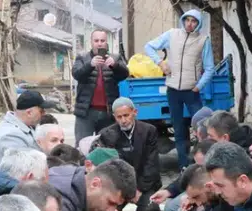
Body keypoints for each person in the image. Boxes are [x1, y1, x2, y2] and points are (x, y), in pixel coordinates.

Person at [145, 9, 214, 166]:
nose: (189, 24)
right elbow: (149, 46)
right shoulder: (172, 34)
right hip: (173, 91)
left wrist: (199, 86)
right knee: (179, 129)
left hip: (192, 91)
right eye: (187, 20)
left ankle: (205, 164)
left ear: (199, 23)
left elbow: (210, 68)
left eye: (194, 21)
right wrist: (160, 62)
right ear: (183, 20)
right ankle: (184, 166)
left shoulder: (204, 40)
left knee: (202, 128)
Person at [96, 97, 162, 199]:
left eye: (126, 115)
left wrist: (139, 190)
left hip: (144, 184)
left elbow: (151, 164)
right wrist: (124, 189)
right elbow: (108, 168)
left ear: (135, 112)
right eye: (119, 117)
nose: (123, 120)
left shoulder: (149, 131)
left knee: (150, 210)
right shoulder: (106, 134)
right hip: (118, 186)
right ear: (114, 117)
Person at [73, 29, 129, 142]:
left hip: (108, 113)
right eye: (96, 40)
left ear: (106, 42)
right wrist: (90, 65)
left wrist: (115, 65)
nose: (99, 43)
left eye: (102, 40)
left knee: (107, 146)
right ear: (91, 42)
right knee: (82, 146)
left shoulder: (115, 57)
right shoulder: (82, 57)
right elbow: (77, 74)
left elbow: (125, 74)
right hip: (86, 112)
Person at [0, 90, 58, 167]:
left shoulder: (26, 125)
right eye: (41, 111)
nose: (44, 114)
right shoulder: (10, 135)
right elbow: (26, 168)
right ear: (29, 113)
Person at [151, 137, 214, 211]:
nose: (200, 170)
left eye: (203, 167)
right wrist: (168, 191)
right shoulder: (196, 164)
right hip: (198, 191)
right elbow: (185, 178)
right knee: (171, 208)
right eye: (197, 165)